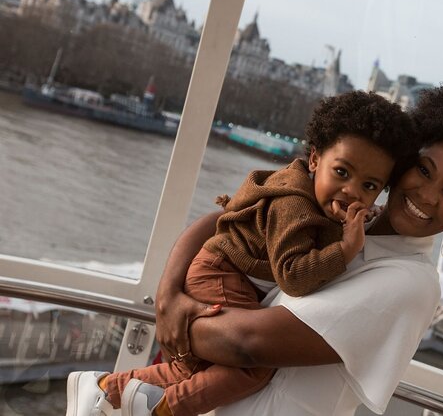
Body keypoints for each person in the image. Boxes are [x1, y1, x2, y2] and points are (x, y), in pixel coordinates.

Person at [154, 77, 443, 415]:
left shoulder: (409, 284)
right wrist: (168, 293)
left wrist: (179, 316)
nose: (427, 195)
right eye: (424, 170)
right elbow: (225, 223)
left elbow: (248, 344)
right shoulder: (352, 217)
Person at [65, 91, 416, 416]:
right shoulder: (295, 205)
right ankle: (164, 410)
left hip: (222, 269)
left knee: (192, 369)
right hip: (221, 271)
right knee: (254, 368)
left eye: (368, 186)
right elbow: (292, 277)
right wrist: (344, 249)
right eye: (341, 172)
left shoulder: (319, 202)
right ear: (314, 159)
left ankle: (105, 389)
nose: (352, 190)